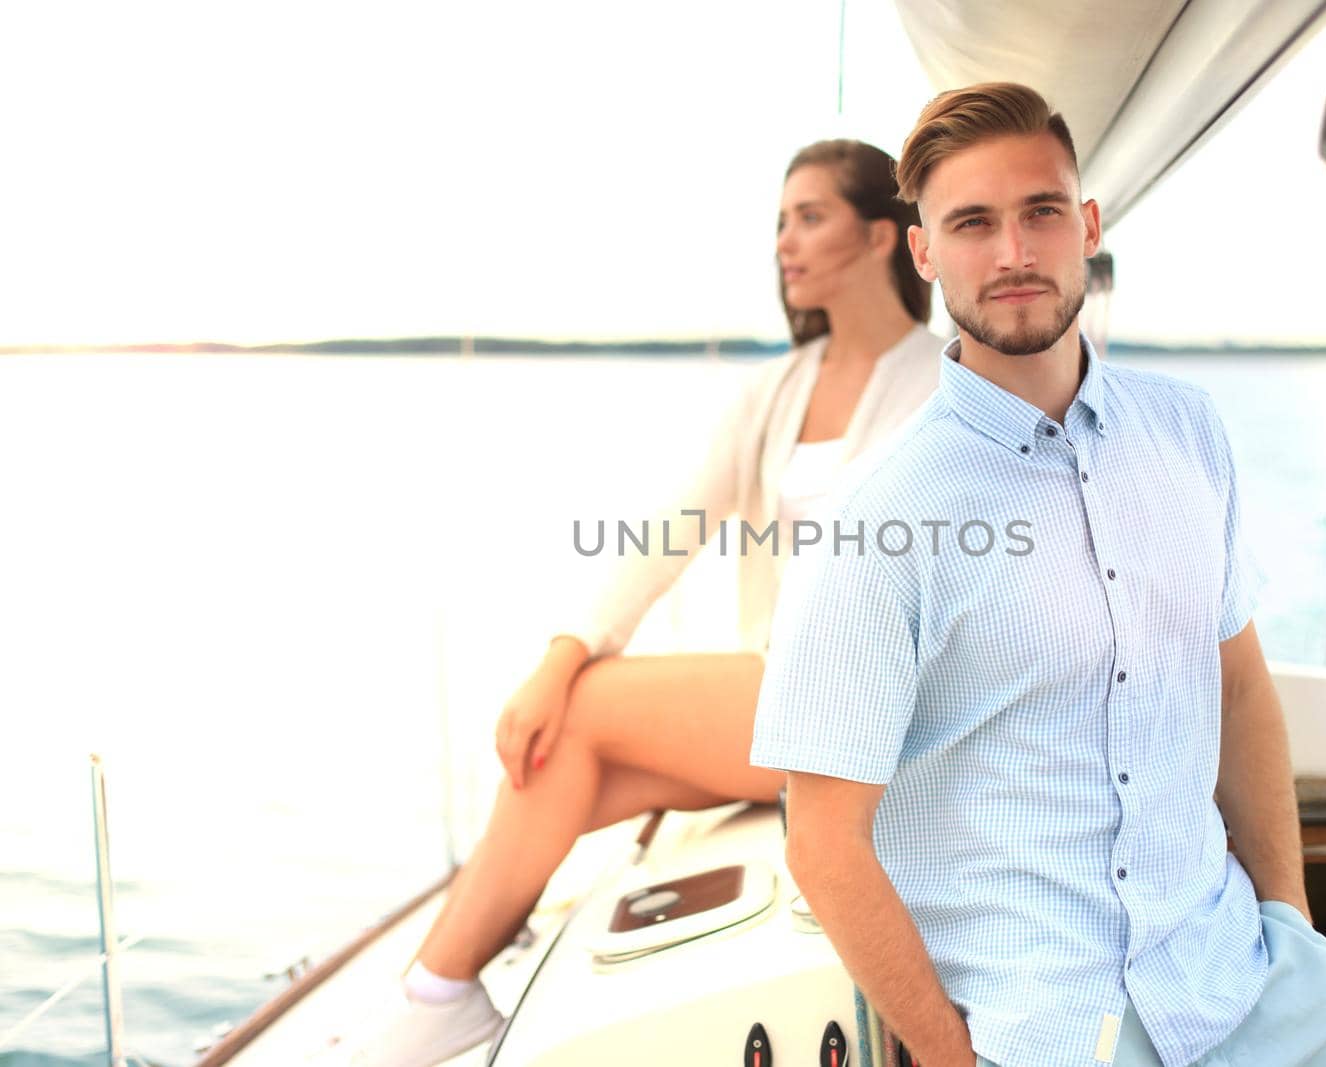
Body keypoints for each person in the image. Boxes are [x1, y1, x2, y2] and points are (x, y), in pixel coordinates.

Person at [750, 84, 1326, 1067]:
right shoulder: (873, 521)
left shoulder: (1188, 431)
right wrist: (950, 1056)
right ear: (924, 253)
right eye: (973, 224)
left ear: (1087, 226)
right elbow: (821, 840)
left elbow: (1237, 687)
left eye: (1041, 212)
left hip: (1245, 974)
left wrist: (1291, 924)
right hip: (1053, 1029)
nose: (1015, 253)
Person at [330, 138, 946, 1067]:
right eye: (779, 220)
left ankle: (434, 992)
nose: (784, 240)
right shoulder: (775, 389)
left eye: (808, 217)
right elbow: (664, 533)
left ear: (878, 236)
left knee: (581, 712)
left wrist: (569, 675)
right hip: (787, 704)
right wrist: (564, 649)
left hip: (870, 706)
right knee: (566, 750)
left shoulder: (942, 381)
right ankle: (439, 988)